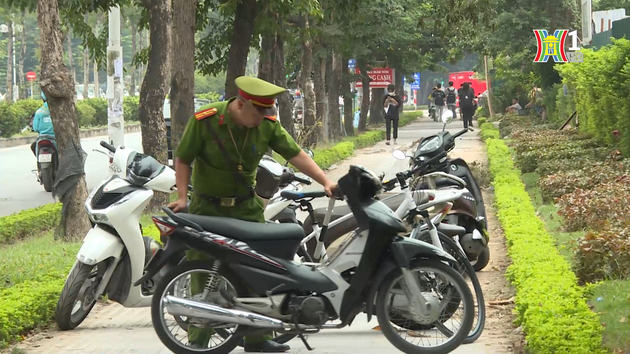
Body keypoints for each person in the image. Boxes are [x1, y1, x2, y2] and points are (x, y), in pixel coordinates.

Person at [169, 76, 337, 352]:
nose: (262, 117)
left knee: (256, 269)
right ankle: (199, 342)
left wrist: (325, 181)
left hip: (245, 209)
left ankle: (258, 339)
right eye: (258, 111)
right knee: (203, 269)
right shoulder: (206, 120)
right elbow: (184, 158)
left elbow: (295, 155)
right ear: (241, 103)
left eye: (266, 112)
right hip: (206, 208)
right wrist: (182, 197)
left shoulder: (267, 126)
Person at [30, 92, 54, 157]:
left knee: (33, 146)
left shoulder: (39, 111)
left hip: (42, 138)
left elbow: (35, 128)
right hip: (55, 138)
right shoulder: (59, 110)